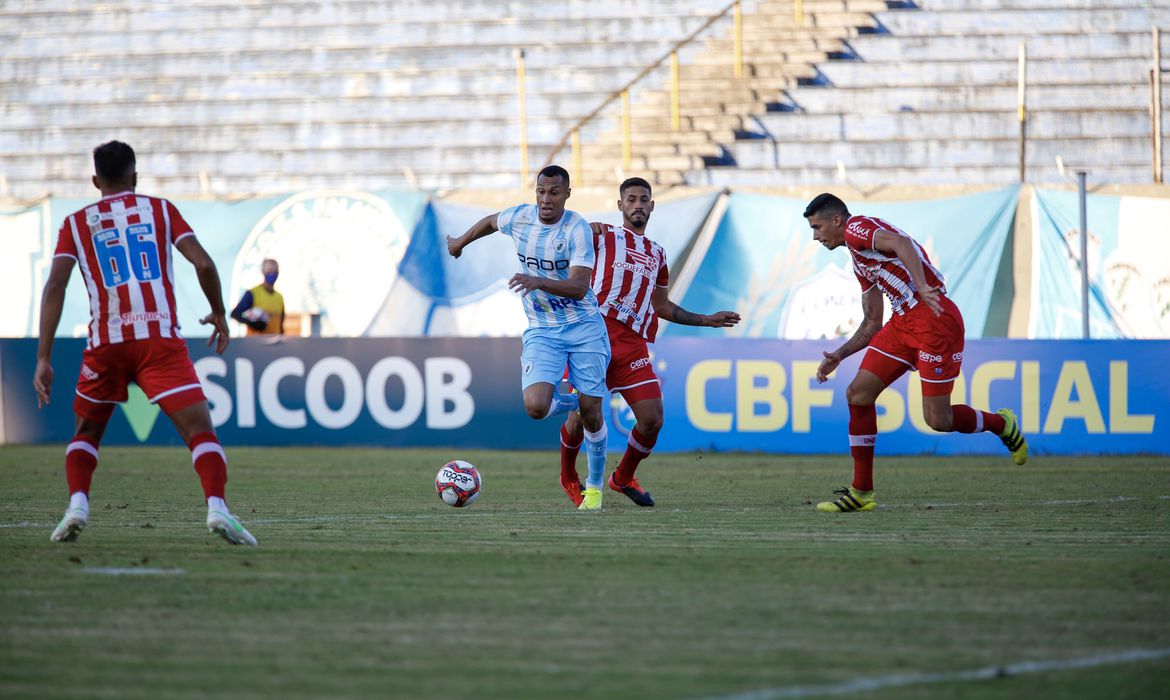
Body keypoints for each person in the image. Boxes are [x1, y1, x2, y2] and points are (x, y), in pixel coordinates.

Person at [34, 140, 258, 545]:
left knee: (86, 432)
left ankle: (78, 505)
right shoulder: (161, 210)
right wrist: (219, 312)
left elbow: (55, 288)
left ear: (95, 181)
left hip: (107, 343)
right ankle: (217, 507)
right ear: (135, 178)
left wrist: (43, 357)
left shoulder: (75, 223)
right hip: (159, 341)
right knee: (199, 430)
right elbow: (204, 263)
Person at [803, 193, 1028, 513]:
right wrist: (839, 355)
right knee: (858, 394)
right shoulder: (858, 258)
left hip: (935, 320)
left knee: (938, 419)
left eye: (817, 227)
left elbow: (902, 244)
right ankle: (862, 493)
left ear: (836, 220)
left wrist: (921, 285)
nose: (815, 236)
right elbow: (872, 322)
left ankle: (1001, 424)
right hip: (902, 324)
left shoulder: (856, 228)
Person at [559, 178, 740, 507]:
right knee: (581, 415)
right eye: (631, 199)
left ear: (652, 205)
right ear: (620, 206)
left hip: (632, 345)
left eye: (644, 199)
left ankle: (622, 478)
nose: (638, 204)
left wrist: (707, 319)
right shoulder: (602, 236)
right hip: (594, 337)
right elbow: (563, 241)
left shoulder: (657, 254)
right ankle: (569, 476)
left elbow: (662, 307)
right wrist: (583, 230)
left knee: (652, 419)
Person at [446, 165, 612, 510]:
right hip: (542, 328)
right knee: (536, 406)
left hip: (584, 328)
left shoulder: (577, 229)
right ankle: (576, 402)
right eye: (541, 191)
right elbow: (491, 222)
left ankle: (595, 488)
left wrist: (539, 281)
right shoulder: (521, 217)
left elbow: (580, 286)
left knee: (593, 415)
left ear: (567, 194)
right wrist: (460, 242)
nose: (545, 199)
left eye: (554, 192)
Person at [230, 258, 284, 336]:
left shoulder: (279, 297)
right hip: (256, 341)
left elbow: (281, 323)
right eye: (269, 271)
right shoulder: (252, 293)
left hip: (275, 340)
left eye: (275, 271)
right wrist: (252, 323)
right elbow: (235, 314)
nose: (272, 274)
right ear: (263, 272)